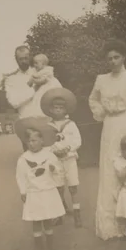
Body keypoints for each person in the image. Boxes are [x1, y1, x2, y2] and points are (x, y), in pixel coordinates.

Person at [88, 41, 126, 241]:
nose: (113, 61)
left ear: (124, 57)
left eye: (116, 57)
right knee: (110, 171)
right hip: (110, 126)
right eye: (109, 58)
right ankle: (111, 225)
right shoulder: (101, 79)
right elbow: (93, 100)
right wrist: (101, 112)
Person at [16, 122, 67, 250]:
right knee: (36, 219)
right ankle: (38, 243)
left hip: (48, 191)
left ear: (42, 140)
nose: (31, 143)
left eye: (34, 140)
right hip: (34, 192)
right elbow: (20, 176)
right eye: (28, 141)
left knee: (48, 217)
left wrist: (53, 169)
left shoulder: (49, 155)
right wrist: (23, 191)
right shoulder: (24, 158)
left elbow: (59, 171)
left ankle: (50, 242)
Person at [6, 45, 62, 150]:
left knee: (50, 156)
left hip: (46, 121)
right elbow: (14, 102)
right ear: (16, 59)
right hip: (27, 124)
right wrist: (33, 90)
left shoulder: (40, 72)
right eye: (20, 59)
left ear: (30, 57)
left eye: (26, 58)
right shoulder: (12, 79)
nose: (23, 61)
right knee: (31, 157)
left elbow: (56, 89)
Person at [42, 87, 82, 227]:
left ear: (66, 110)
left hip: (69, 159)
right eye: (55, 107)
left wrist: (68, 149)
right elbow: (46, 144)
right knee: (58, 187)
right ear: (50, 110)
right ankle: (60, 213)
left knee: (73, 186)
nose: (58, 110)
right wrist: (54, 151)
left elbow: (77, 140)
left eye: (61, 107)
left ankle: (77, 213)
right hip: (55, 160)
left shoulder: (71, 125)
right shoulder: (48, 126)